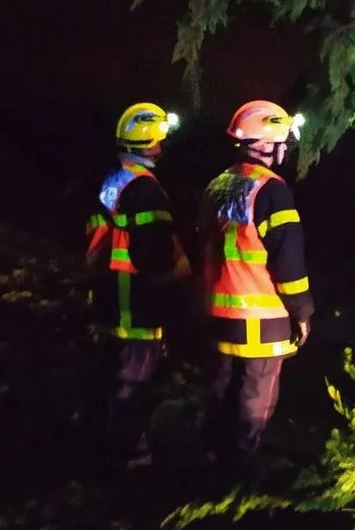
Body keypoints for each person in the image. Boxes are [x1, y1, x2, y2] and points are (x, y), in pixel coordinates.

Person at [197, 100, 313, 471]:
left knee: (221, 388)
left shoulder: (217, 185)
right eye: (282, 142)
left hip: (217, 311)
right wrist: (303, 311)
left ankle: (211, 455)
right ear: (265, 145)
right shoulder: (272, 192)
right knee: (255, 394)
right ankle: (240, 471)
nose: (285, 150)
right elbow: (288, 262)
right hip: (261, 317)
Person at [85, 102, 191, 467]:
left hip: (109, 296)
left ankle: (103, 443)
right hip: (136, 303)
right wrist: (178, 276)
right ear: (149, 143)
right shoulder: (145, 189)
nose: (161, 146)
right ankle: (127, 456)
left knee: (111, 377)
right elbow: (154, 252)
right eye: (159, 139)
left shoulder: (112, 180)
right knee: (133, 382)